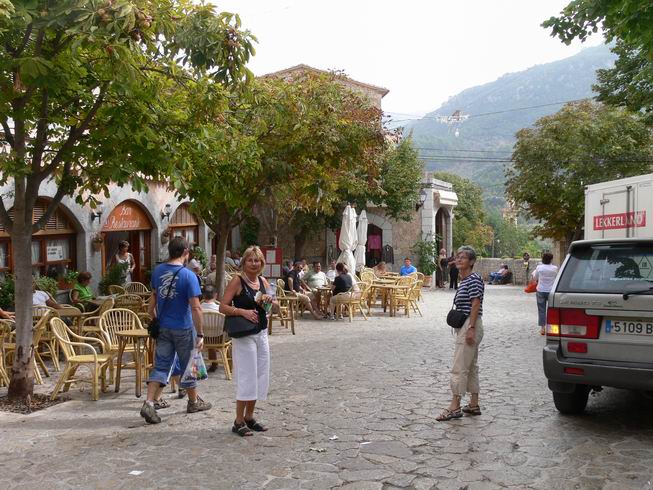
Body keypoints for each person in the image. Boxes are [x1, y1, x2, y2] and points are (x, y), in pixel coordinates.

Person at [140, 236, 211, 425]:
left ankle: (149, 402)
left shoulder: (157, 271)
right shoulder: (189, 276)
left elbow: (151, 304)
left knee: (161, 365)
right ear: (185, 252)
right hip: (183, 328)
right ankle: (193, 402)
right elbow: (196, 308)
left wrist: (155, 319)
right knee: (189, 365)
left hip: (164, 327)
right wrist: (200, 333)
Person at [221, 246, 275, 437]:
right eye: (250, 260)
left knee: (260, 374)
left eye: (257, 260)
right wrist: (241, 311)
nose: (254, 264)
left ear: (262, 263)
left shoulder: (263, 281)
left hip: (261, 333)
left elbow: (271, 308)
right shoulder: (237, 281)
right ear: (244, 262)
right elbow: (222, 306)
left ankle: (249, 417)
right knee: (247, 376)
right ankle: (238, 420)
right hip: (244, 335)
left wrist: (268, 302)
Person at [436, 245, 485, 421]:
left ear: (471, 261)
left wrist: (471, 328)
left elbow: (476, 303)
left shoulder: (473, 279)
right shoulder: (466, 279)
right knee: (471, 366)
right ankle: (473, 404)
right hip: (468, 324)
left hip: (469, 324)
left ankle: (454, 406)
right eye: (457, 257)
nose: (458, 260)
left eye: (463, 257)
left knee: (459, 367)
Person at [533, 252, 558, 336]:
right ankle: (552, 328)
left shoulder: (539, 267)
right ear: (551, 259)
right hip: (551, 291)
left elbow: (535, 278)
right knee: (552, 310)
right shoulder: (555, 268)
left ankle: (542, 328)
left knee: (541, 310)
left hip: (540, 290)